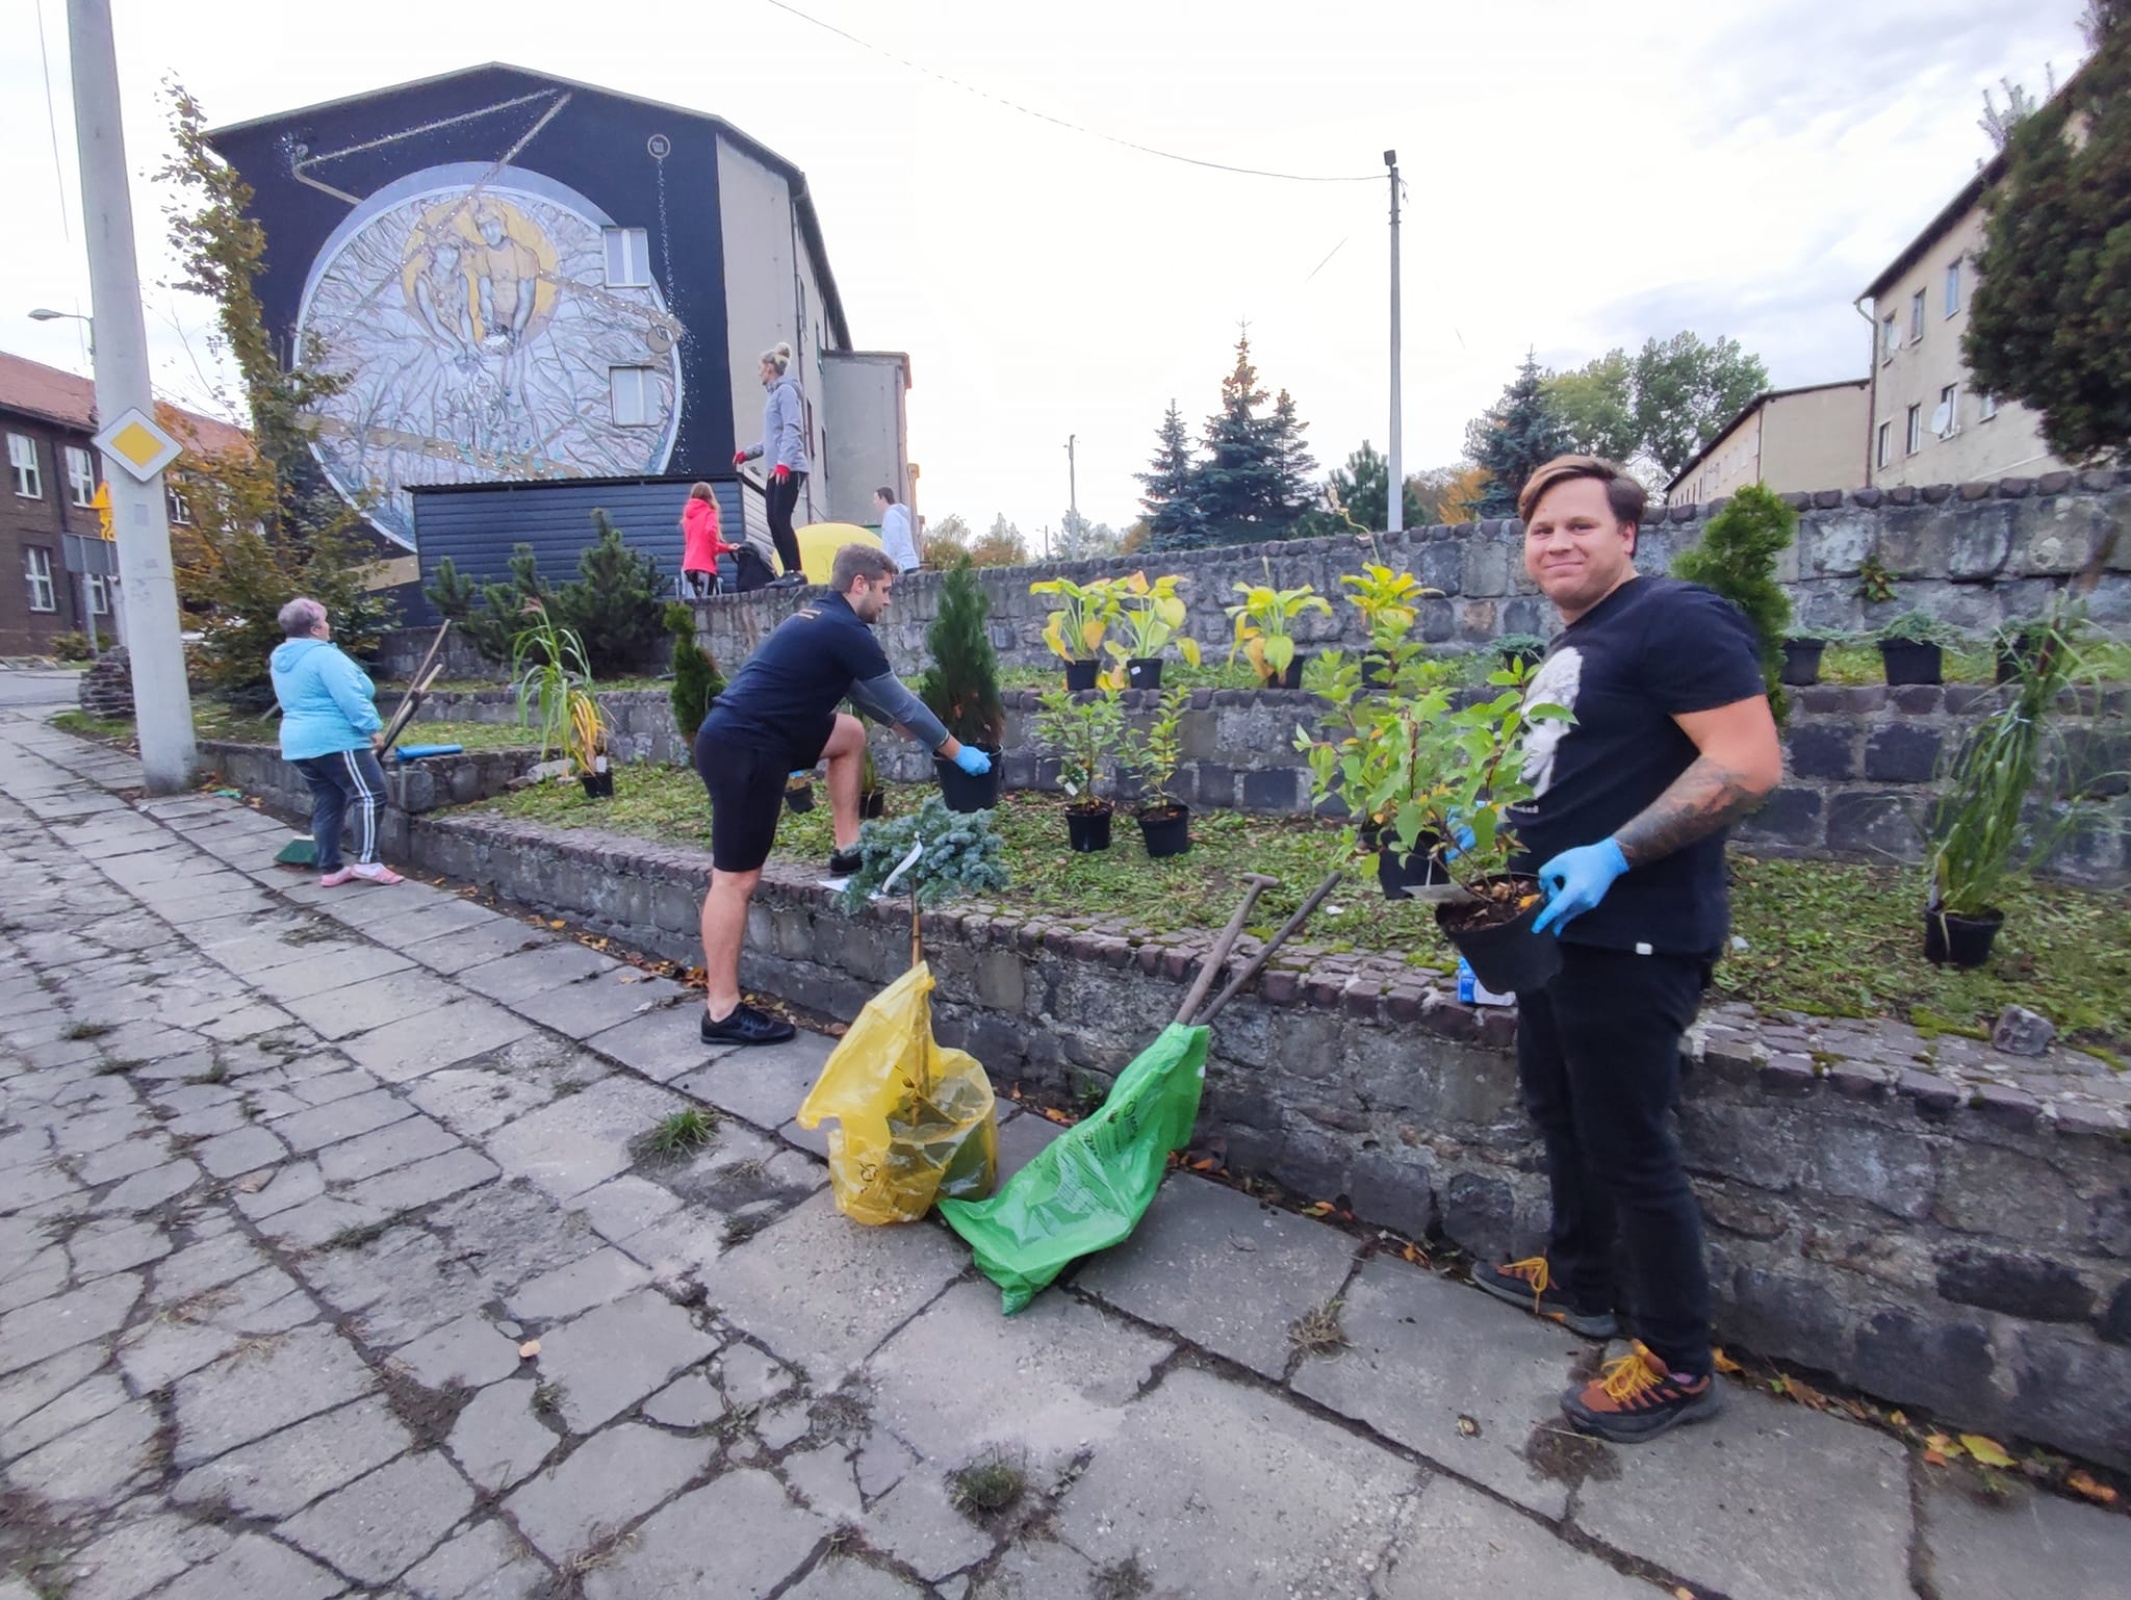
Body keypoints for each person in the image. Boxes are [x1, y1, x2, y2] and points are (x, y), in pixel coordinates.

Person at [1470, 455, 1780, 1444]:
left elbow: (1746, 761)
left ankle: (1680, 1361)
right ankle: (1579, 1278)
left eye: (1578, 526)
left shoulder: (1674, 618)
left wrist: (1613, 851)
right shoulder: (1577, 640)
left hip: (1638, 937)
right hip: (1557, 934)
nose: (1556, 543)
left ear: (1628, 535)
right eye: (1540, 531)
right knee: (1557, 1107)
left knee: (1631, 1145)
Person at [693, 544, 992, 1045]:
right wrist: (956, 751)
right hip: (746, 748)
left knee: (848, 735)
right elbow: (903, 701)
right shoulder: (848, 630)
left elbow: (862, 695)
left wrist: (895, 725)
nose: (890, 601)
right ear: (860, 584)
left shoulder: (818, 617)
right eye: (886, 591)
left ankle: (846, 849)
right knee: (735, 880)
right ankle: (721, 1012)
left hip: (752, 736)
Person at [269, 597, 405, 888]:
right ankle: (368, 862)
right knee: (371, 794)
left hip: (298, 743)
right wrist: (371, 728)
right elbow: (350, 696)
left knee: (330, 799)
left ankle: (330, 867)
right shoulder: (324, 656)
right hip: (334, 739)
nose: (329, 626)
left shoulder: (281, 657)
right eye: (326, 621)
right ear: (316, 629)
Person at [733, 341, 809, 586]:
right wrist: (747, 453)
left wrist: (784, 464)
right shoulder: (773, 396)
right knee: (772, 519)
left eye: (759, 367)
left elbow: (793, 429)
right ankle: (788, 572)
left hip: (790, 467)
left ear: (769, 367)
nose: (758, 372)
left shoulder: (786, 392)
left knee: (780, 516)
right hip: (776, 468)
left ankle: (796, 571)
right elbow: (771, 439)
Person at [680, 481, 732, 598]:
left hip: (689, 566)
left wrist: (727, 547)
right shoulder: (709, 513)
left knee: (698, 603)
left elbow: (701, 542)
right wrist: (716, 549)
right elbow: (710, 534)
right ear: (709, 496)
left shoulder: (688, 517)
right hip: (705, 566)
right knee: (708, 603)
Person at [875, 487, 919, 572]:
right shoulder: (900, 515)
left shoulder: (891, 516)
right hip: (909, 562)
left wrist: (885, 564)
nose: (874, 502)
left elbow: (893, 542)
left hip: (902, 564)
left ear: (883, 499)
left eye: (876, 499)